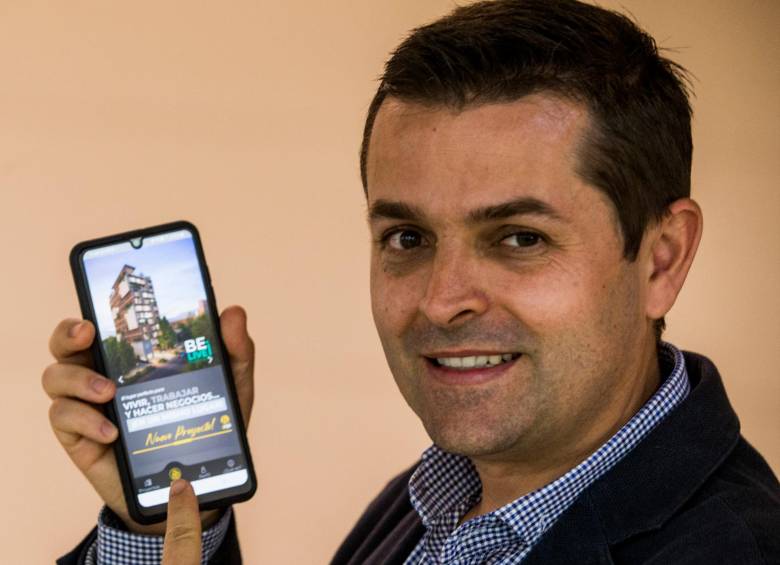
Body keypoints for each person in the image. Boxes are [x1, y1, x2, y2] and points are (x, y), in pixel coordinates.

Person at [45, 0, 779, 563]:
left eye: (520, 238)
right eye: (408, 238)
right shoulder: (431, 499)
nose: (440, 299)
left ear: (662, 259)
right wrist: (169, 523)